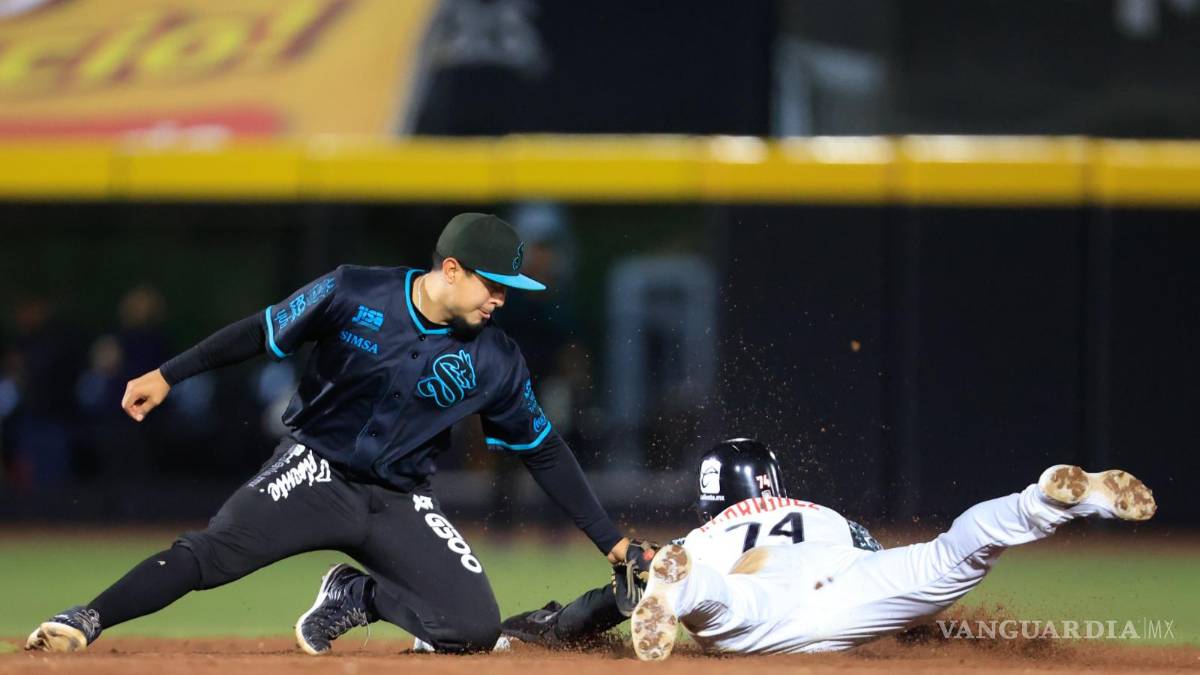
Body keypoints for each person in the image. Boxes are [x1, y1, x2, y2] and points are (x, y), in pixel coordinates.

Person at [25, 213, 630, 655]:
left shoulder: (497, 358)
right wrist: (167, 374)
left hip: (400, 500)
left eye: (507, 289)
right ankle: (85, 618)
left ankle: (356, 596)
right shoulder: (353, 290)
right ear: (451, 269)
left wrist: (613, 543)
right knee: (211, 555)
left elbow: (543, 450)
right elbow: (258, 331)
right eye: (493, 284)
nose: (501, 299)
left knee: (472, 629)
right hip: (314, 471)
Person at [629, 463, 1155, 660]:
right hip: (845, 574)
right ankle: (1038, 503)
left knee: (723, 603)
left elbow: (615, 600)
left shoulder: (700, 534)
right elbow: (873, 556)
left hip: (765, 591)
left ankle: (682, 585)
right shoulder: (821, 512)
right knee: (949, 555)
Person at [500, 438, 883, 647]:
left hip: (762, 632)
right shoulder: (834, 520)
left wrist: (555, 624)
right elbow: (881, 568)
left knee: (667, 578)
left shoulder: (705, 538)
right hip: (842, 623)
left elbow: (615, 599)